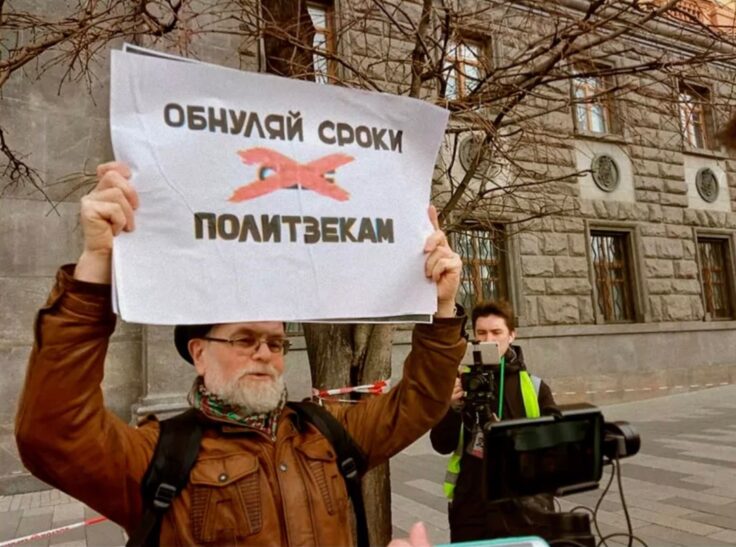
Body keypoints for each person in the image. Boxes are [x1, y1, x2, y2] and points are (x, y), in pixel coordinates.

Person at [15, 161, 467, 546]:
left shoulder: (325, 433)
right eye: (244, 340)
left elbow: (420, 403)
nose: (264, 354)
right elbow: (53, 434)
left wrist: (443, 307)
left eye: (275, 342)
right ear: (199, 354)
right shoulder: (159, 456)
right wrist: (95, 266)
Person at [430, 300, 558, 543]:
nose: (488, 339)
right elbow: (441, 444)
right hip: (471, 506)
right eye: (481, 333)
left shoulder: (534, 388)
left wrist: (508, 435)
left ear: (512, 335)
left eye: (496, 332)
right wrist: (451, 408)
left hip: (524, 505)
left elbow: (555, 447)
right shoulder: (460, 382)